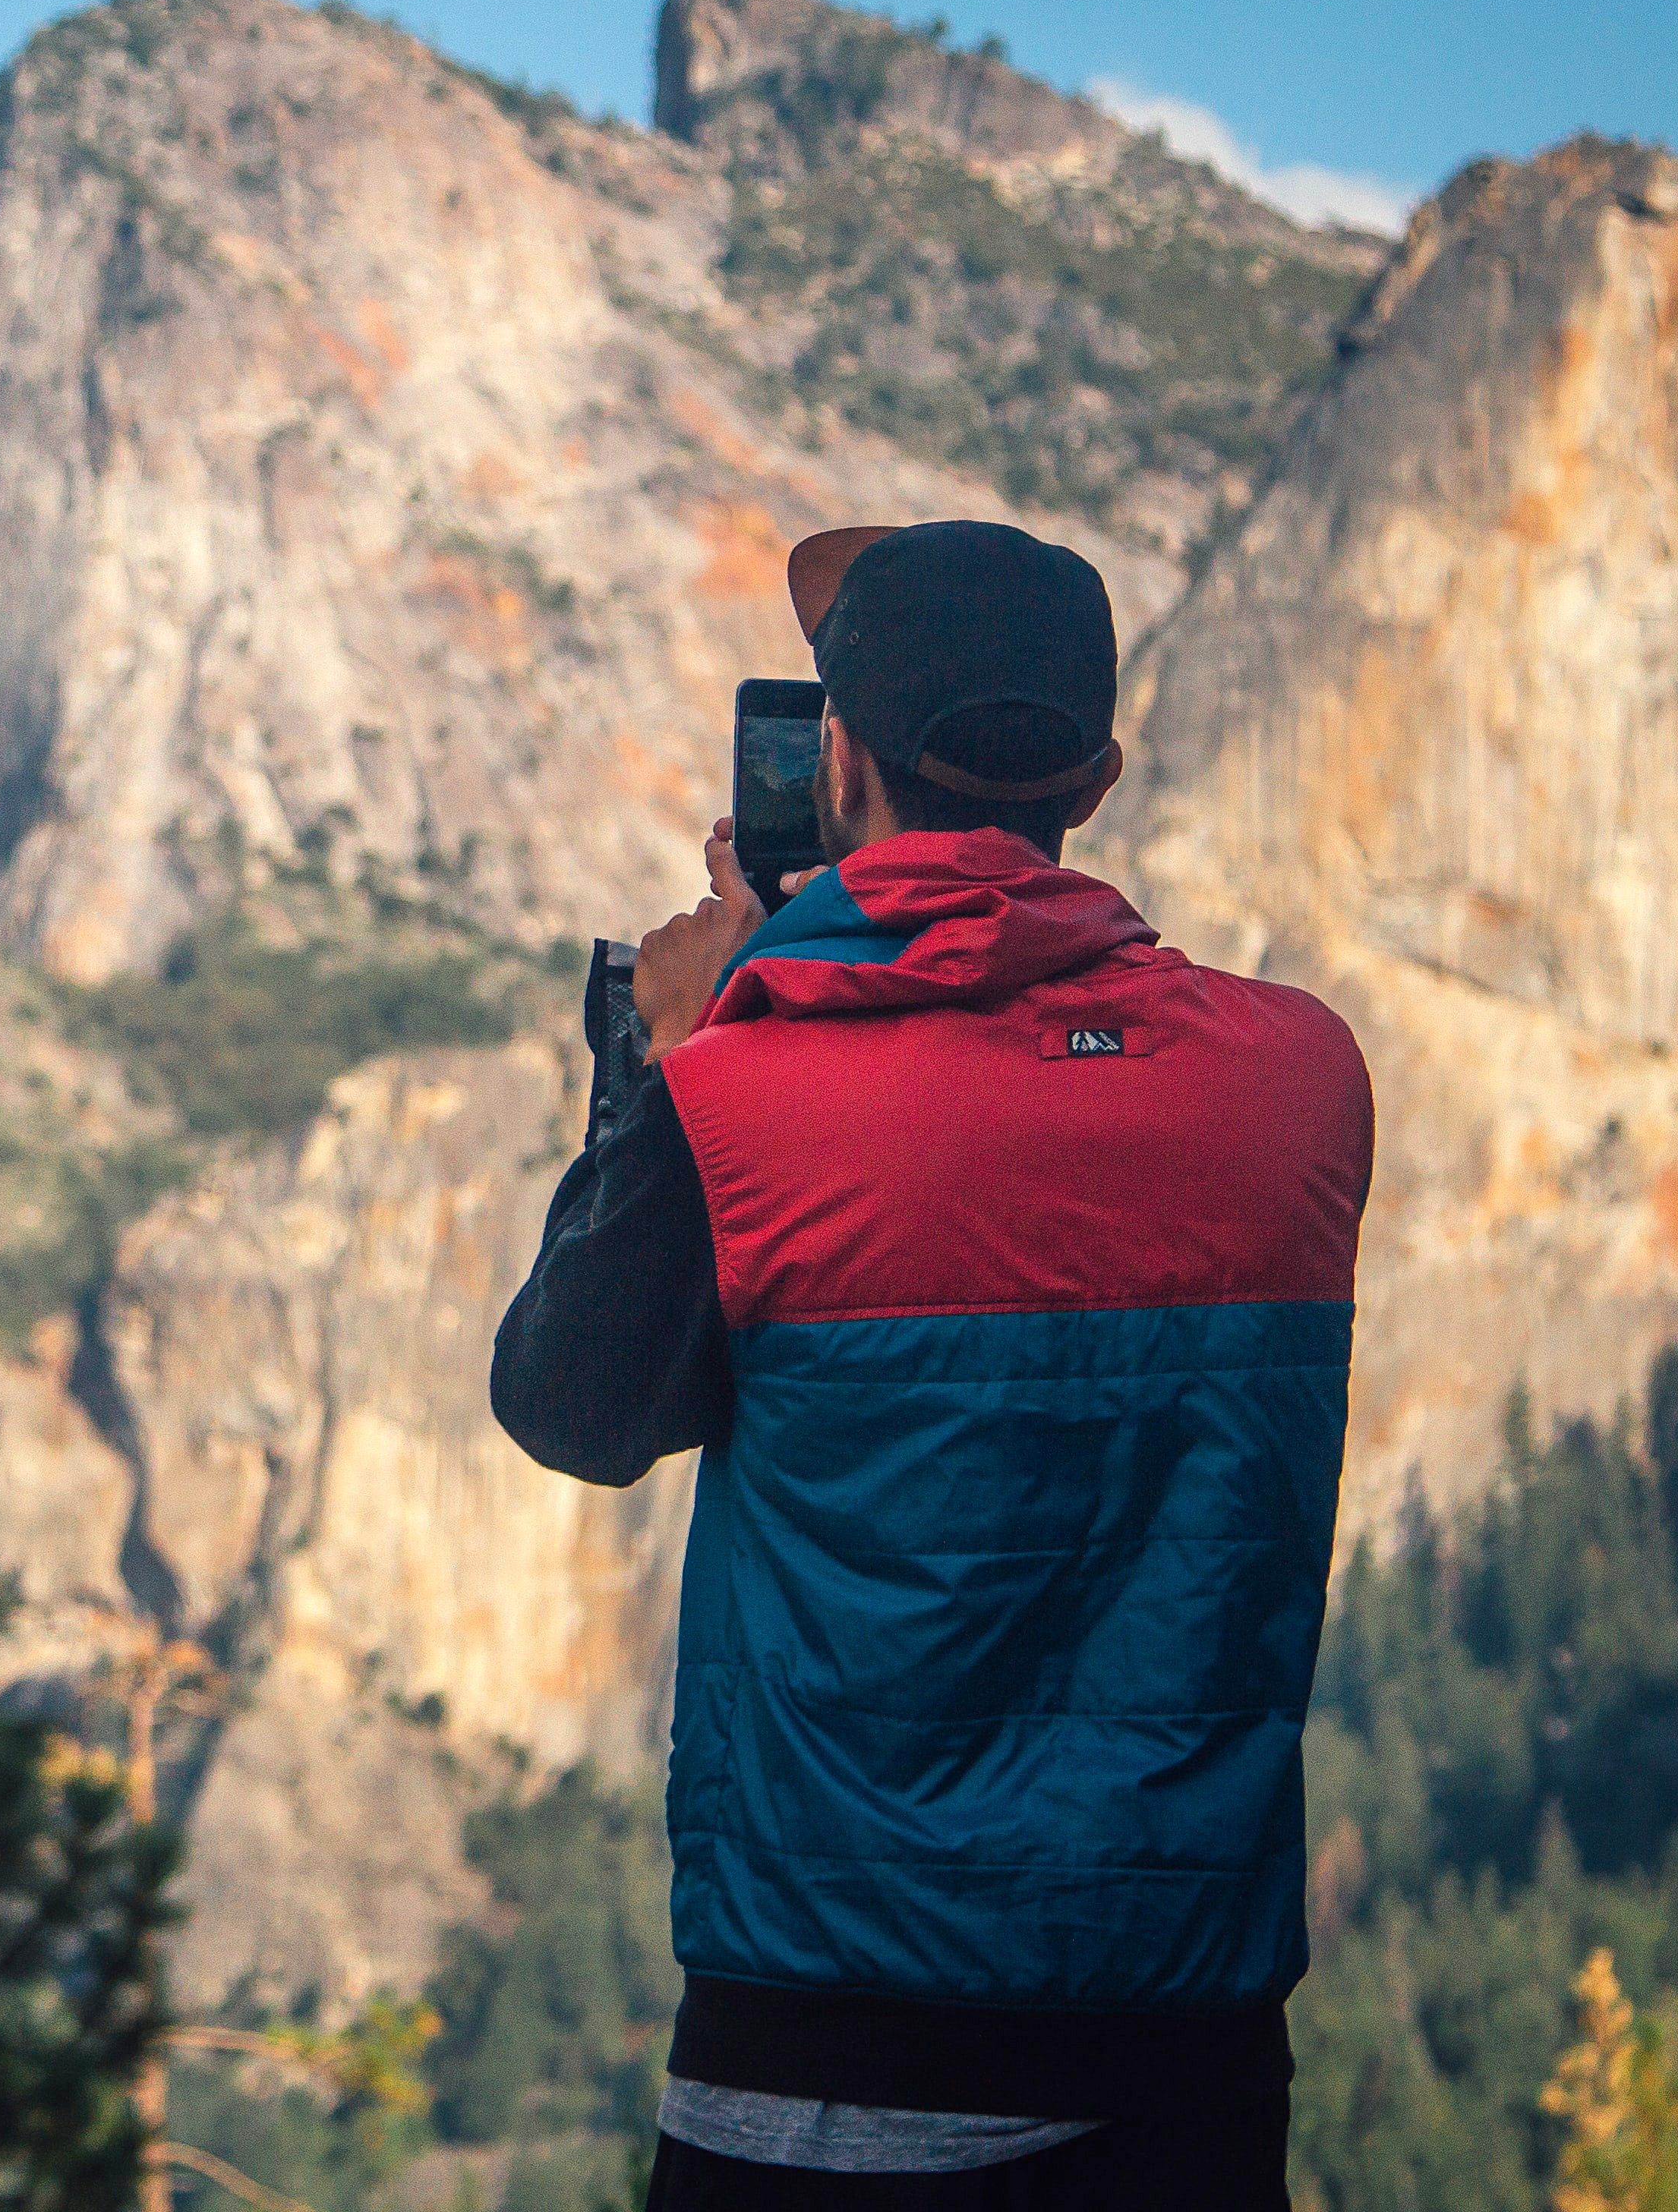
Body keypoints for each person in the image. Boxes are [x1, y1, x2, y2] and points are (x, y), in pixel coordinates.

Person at [488, 521, 1374, 2209]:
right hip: (1191, 2074)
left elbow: (578, 1408)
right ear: (1096, 778)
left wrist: (677, 1054)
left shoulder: (750, 1096)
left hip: (826, 2077)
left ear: (831, 762)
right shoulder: (1301, 1079)